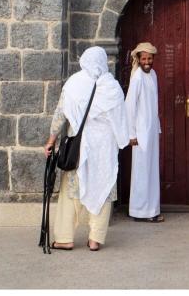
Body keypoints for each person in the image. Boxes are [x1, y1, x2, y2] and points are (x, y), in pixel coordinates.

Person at [43, 46, 129, 251]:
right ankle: (95, 239)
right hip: (104, 147)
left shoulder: (74, 84)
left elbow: (60, 114)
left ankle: (64, 238)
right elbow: (121, 117)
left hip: (79, 145)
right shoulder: (112, 87)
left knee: (72, 190)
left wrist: (51, 140)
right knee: (104, 185)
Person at [125, 42, 163, 223]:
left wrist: (157, 126)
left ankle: (151, 210)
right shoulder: (137, 78)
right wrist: (131, 134)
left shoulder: (153, 75)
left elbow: (153, 105)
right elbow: (129, 107)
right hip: (140, 133)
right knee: (141, 171)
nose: (147, 62)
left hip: (151, 130)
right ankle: (140, 211)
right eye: (144, 59)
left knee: (151, 170)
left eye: (150, 58)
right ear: (138, 60)